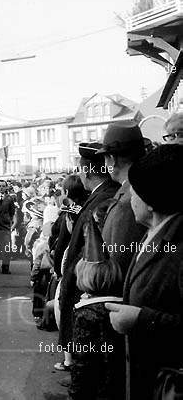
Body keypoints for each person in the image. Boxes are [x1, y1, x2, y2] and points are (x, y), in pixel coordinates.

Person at [105, 144, 183, 400]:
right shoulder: (152, 234)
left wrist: (141, 319)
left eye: (134, 192)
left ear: (150, 201)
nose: (130, 199)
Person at [56, 142, 119, 372]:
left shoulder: (103, 197)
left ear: (87, 171)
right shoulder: (100, 194)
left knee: (89, 353)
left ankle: (80, 376)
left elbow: (95, 245)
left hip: (88, 283)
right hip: (82, 279)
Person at [69, 216, 125, 400]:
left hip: (94, 389)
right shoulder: (120, 306)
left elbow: (82, 363)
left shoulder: (86, 314)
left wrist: (75, 395)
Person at [96, 122, 147, 276]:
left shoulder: (129, 201)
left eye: (105, 158)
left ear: (112, 159)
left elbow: (119, 264)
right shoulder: (132, 190)